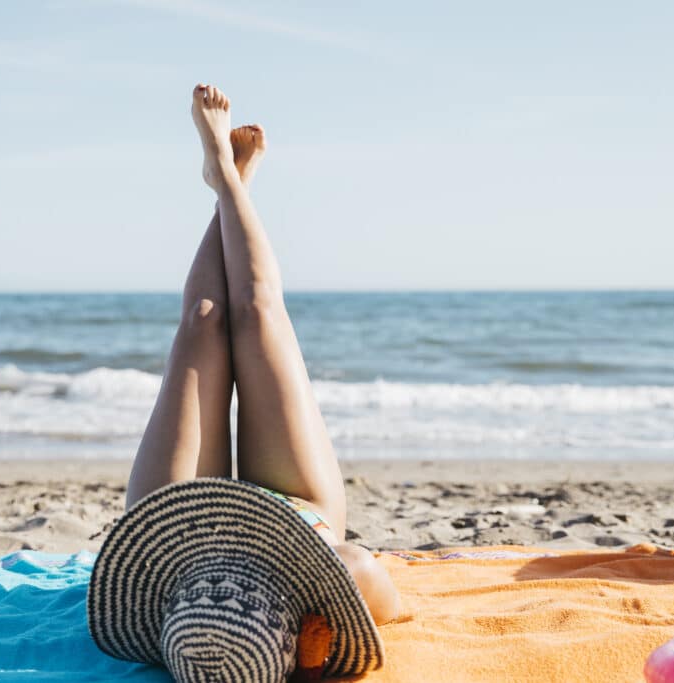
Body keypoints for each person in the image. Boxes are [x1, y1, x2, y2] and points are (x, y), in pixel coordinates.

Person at [87, 84, 399, 682]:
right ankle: (230, 182)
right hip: (297, 510)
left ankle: (226, 180)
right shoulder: (319, 600)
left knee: (204, 323)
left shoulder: (183, 631)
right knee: (256, 311)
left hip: (175, 534)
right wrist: (313, 655)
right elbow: (372, 577)